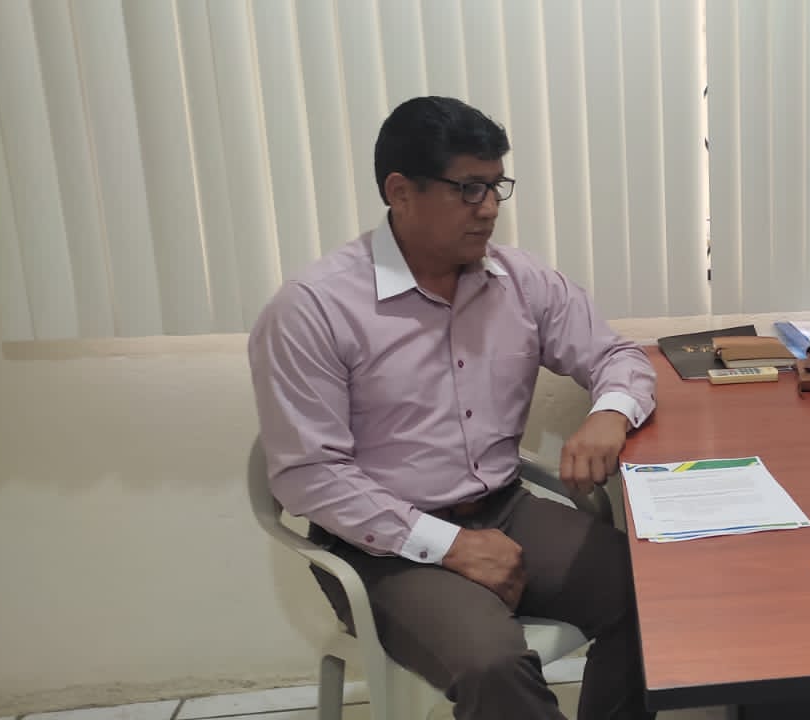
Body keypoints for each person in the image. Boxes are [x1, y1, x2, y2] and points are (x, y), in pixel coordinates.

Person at [249, 96, 656, 720]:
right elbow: (309, 475)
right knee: (493, 665)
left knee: (657, 595)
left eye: (496, 186)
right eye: (468, 189)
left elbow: (617, 355)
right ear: (400, 192)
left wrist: (612, 411)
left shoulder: (519, 281)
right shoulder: (314, 308)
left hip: (505, 508)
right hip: (379, 542)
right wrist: (450, 545)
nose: (488, 208)